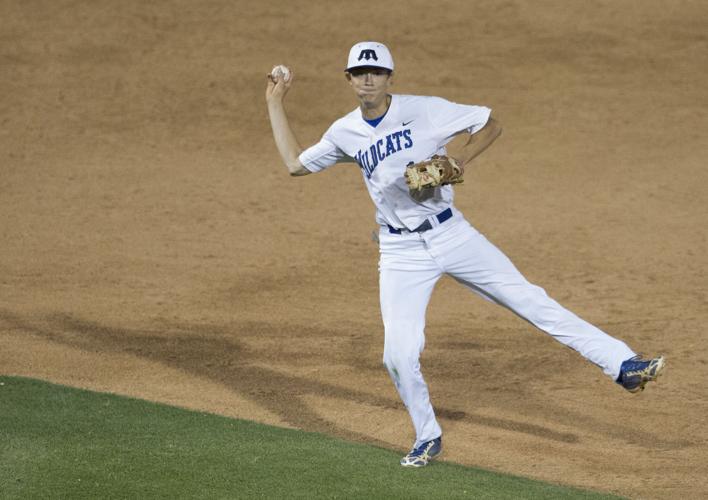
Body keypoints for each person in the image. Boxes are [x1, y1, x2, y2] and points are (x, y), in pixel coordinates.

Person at [265, 41, 665, 468]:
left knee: (529, 299)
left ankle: (622, 363)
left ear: (389, 78)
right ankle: (427, 435)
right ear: (348, 79)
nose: (368, 79)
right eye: (360, 73)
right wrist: (275, 102)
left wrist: (457, 159)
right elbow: (294, 163)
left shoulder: (425, 110)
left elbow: (489, 124)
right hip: (401, 250)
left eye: (377, 72)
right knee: (397, 354)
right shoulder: (344, 131)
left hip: (452, 234)